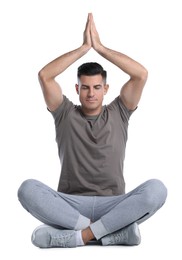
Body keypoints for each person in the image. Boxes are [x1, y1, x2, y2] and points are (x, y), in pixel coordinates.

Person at [18, 13, 167, 248]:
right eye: (85, 87)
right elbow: (44, 76)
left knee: (157, 190)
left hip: (114, 204)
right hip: (71, 205)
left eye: (97, 87)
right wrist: (84, 48)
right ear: (77, 88)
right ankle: (110, 233)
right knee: (26, 189)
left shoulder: (120, 111)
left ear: (106, 88)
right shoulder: (64, 113)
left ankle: (80, 237)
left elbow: (141, 74)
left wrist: (101, 48)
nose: (91, 93)